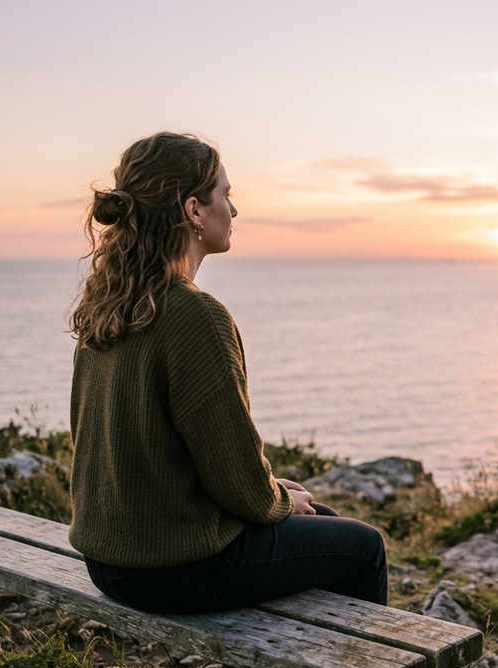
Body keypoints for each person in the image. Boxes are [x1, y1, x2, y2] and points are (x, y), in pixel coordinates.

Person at [67, 132, 387, 614]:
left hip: (107, 558)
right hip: (171, 570)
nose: (233, 212)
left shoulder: (110, 304)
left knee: (319, 520)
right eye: (226, 196)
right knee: (363, 547)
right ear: (194, 210)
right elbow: (237, 480)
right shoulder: (193, 315)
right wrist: (277, 500)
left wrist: (278, 499)